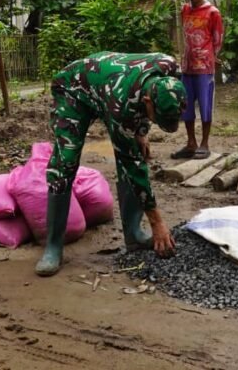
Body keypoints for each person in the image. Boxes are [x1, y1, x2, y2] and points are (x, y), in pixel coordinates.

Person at [36, 51, 186, 277]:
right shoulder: (122, 105)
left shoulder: (170, 71)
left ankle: (133, 234)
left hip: (109, 87)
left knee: (135, 152)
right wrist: (157, 222)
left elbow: (144, 118)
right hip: (73, 90)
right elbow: (132, 164)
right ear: (147, 102)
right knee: (66, 160)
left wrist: (142, 131)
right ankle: (54, 246)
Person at [172, 0, 224, 160]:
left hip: (204, 67)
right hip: (186, 66)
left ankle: (204, 143)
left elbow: (217, 39)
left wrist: (210, 56)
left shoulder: (213, 13)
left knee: (205, 105)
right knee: (186, 106)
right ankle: (191, 143)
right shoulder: (185, 10)